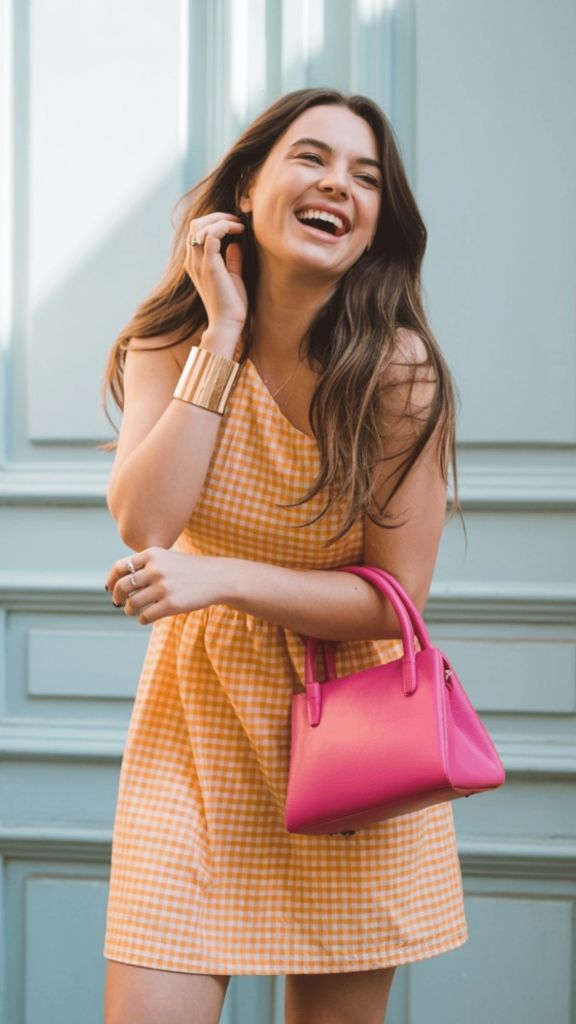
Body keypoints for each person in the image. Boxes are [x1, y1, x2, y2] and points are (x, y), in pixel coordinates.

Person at [99, 87, 467, 1024]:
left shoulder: (398, 372)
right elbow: (147, 521)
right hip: (198, 728)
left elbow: (397, 598)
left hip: (352, 744)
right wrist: (219, 337)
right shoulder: (171, 341)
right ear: (250, 187)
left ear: (379, 220)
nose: (338, 184)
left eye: (366, 176)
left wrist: (217, 576)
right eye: (313, 158)